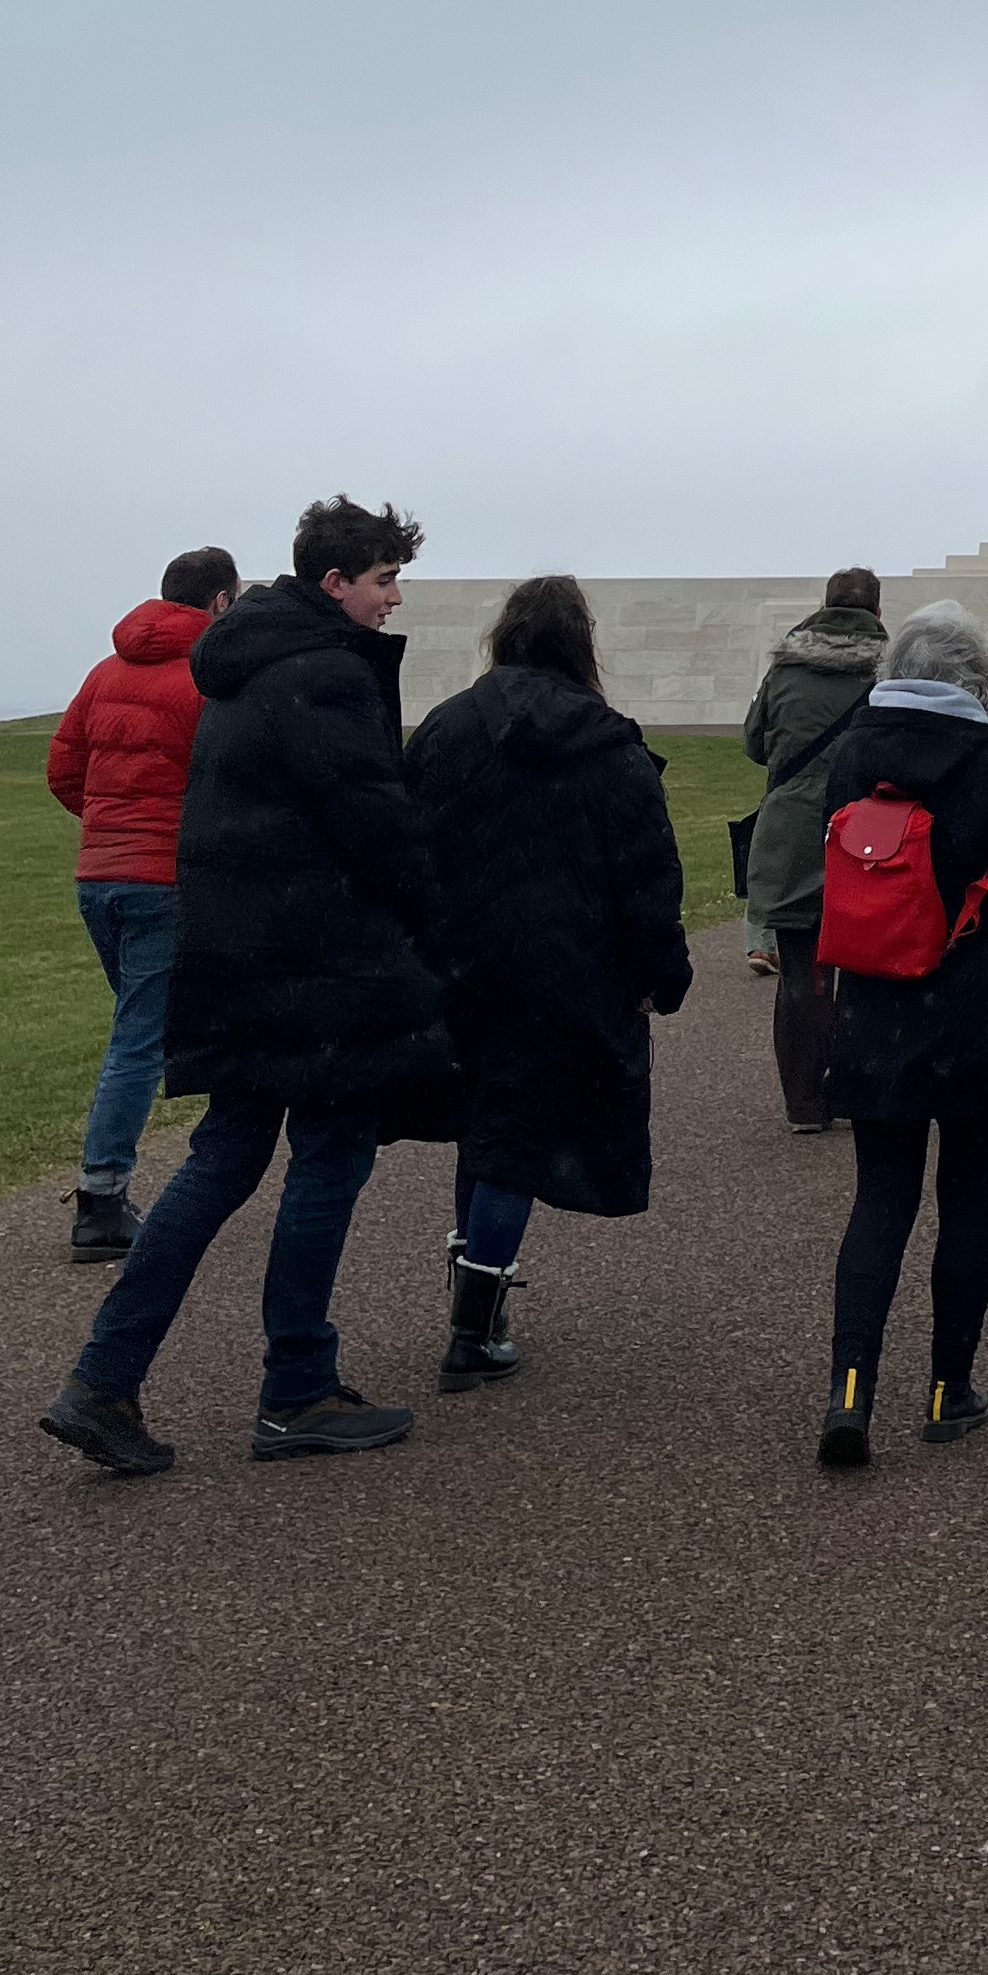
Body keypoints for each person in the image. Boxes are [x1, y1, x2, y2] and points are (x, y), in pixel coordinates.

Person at [37, 497, 448, 1479]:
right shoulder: (321, 675)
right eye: (384, 579)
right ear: (334, 582)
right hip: (309, 967)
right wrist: (439, 921)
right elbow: (373, 824)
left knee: (224, 1159)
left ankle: (104, 1377)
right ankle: (296, 1388)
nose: (394, 599)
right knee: (329, 1155)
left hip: (242, 954)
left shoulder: (241, 666)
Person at [402, 574, 694, 1389]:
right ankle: (475, 1317)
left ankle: (478, 1300)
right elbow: (646, 873)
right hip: (565, 965)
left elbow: (408, 846)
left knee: (484, 1120)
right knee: (515, 1136)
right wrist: (658, 974)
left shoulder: (447, 729)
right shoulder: (607, 742)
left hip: (462, 958)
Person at [814, 602, 988, 1468]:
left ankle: (850, 1392)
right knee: (969, 1200)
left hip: (879, 998)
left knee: (879, 1201)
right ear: (974, 677)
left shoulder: (854, 750)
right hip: (977, 1003)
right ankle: (947, 1390)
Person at [45, 544, 238, 1262]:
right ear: (219, 603)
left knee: (145, 1025)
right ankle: (102, 1196)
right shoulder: (206, 679)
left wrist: (109, 824)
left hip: (99, 874)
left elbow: (63, 768)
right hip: (162, 878)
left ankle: (150, 1170)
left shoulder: (105, 673)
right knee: (141, 1037)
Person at [740, 570, 890, 1132]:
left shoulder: (786, 669)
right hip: (867, 833)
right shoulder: (887, 668)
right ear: (876, 612)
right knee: (865, 970)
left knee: (800, 971)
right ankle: (852, 1084)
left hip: (792, 831)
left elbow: (755, 745)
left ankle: (803, 1103)